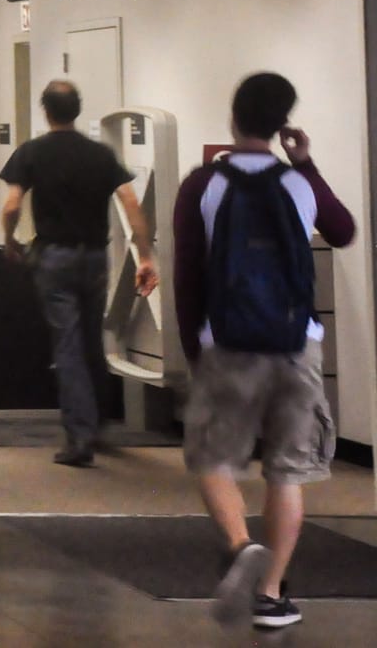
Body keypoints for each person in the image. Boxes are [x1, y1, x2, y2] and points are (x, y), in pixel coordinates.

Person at [175, 73, 356, 630]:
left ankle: (238, 544)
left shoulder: (203, 183)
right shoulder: (298, 184)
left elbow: (187, 274)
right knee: (288, 470)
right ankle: (272, 594)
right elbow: (343, 230)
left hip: (226, 342)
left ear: (233, 120)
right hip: (295, 341)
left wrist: (194, 349)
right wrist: (304, 162)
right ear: (282, 125)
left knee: (211, 456)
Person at [0, 80, 157, 467]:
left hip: (55, 258)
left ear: (45, 109)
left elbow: (12, 204)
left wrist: (10, 239)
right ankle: (96, 424)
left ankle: (80, 437)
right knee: (90, 342)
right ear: (77, 109)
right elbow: (130, 201)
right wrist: (145, 254)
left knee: (67, 347)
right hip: (94, 258)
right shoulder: (100, 154)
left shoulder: (32, 153)